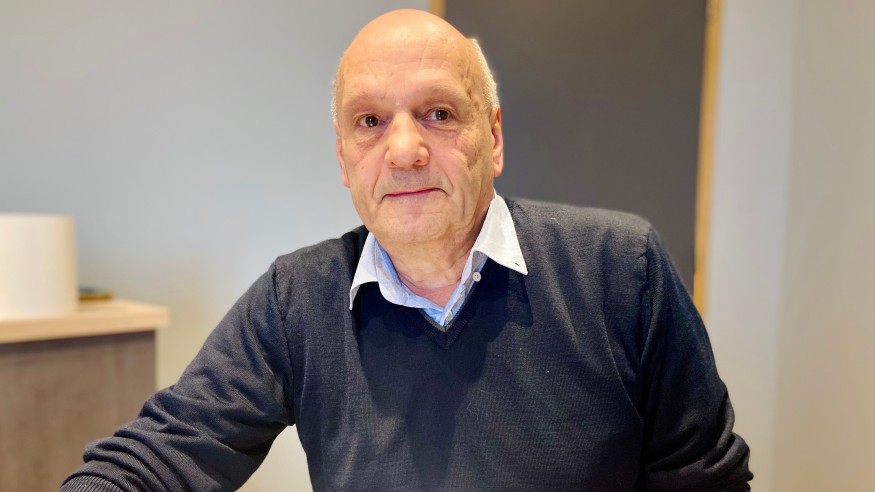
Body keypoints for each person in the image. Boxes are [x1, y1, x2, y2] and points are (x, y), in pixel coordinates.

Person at [62, 9, 752, 492]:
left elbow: (704, 480)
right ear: (343, 158)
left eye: (438, 113)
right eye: (369, 121)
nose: (403, 150)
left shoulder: (621, 270)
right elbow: (161, 456)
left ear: (494, 137)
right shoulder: (295, 300)